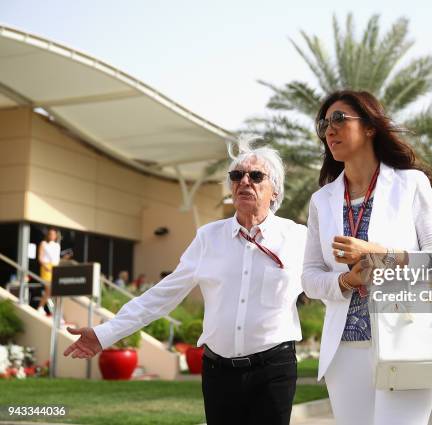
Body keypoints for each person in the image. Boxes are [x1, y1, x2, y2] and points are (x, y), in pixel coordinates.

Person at [63, 139, 307, 425]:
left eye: (255, 176)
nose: (244, 182)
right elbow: (164, 294)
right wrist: (106, 333)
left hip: (274, 369)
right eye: (236, 176)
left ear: (274, 189)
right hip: (219, 372)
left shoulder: (297, 237)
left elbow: (330, 283)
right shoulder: (208, 237)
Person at [301, 90, 432, 425]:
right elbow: (310, 277)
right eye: (324, 123)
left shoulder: (410, 184)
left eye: (339, 118)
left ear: (370, 126)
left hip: (406, 338)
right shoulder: (322, 200)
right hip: (346, 348)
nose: (329, 129)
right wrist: (344, 280)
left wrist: (376, 253)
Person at [35, 228, 61, 314]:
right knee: (49, 289)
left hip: (55, 268)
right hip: (46, 268)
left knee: (56, 291)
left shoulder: (57, 245)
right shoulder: (43, 244)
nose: (52, 236)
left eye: (53, 234)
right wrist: (45, 266)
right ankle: (40, 307)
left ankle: (57, 312)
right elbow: (40, 258)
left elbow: (56, 259)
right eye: (50, 234)